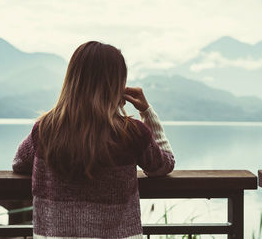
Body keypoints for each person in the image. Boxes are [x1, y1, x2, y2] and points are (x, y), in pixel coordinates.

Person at [12, 41, 175, 239]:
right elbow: (163, 165)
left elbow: (19, 163)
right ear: (117, 84)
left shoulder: (45, 129)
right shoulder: (132, 133)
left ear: (72, 80)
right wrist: (147, 112)